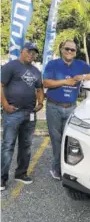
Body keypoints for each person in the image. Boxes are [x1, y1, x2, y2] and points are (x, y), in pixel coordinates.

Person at [43, 40, 90, 180]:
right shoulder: (53, 64)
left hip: (71, 108)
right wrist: (65, 82)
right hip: (54, 107)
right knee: (56, 140)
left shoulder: (80, 64)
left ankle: (69, 168)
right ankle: (57, 168)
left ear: (75, 52)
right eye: (67, 49)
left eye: (72, 50)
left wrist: (84, 77)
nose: (69, 52)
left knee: (70, 140)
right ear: (62, 50)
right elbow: (45, 82)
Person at [1, 42, 44, 191]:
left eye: (34, 53)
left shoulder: (36, 71)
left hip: (30, 113)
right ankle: (2, 179)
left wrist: (40, 102)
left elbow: (39, 88)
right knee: (8, 146)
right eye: (29, 51)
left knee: (25, 146)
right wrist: (5, 105)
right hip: (13, 113)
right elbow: (0, 85)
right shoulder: (11, 66)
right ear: (22, 51)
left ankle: (21, 173)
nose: (31, 54)